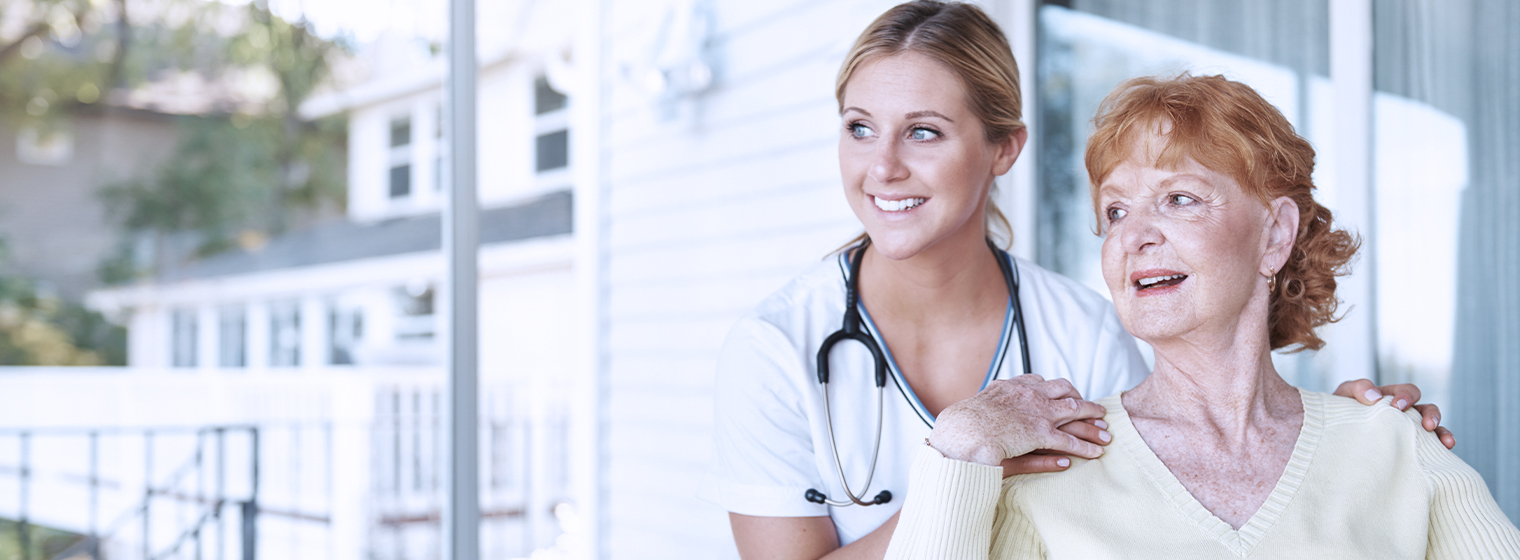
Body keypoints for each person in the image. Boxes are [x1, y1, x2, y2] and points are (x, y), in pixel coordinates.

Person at [703, 3, 1452, 559]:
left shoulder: (1084, 332)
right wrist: (967, 468)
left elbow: (1172, 495)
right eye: (859, 127)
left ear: (1005, 149)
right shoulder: (775, 349)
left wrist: (1352, 442)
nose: (883, 166)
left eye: (923, 130)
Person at [883, 74, 1520, 559]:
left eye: (1178, 199)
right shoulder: (1050, 469)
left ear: (1274, 234)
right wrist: (959, 445)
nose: (1133, 236)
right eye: (1115, 212)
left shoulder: (1395, 448)